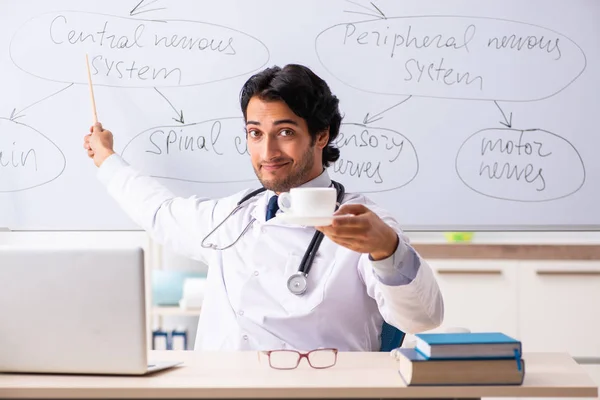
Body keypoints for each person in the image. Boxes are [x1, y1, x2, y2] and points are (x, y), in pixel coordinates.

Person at [83, 64, 444, 351]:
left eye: (285, 132)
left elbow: (423, 318)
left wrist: (387, 249)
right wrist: (106, 158)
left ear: (321, 135)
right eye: (255, 133)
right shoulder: (233, 215)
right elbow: (159, 210)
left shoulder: (364, 223)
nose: (267, 152)